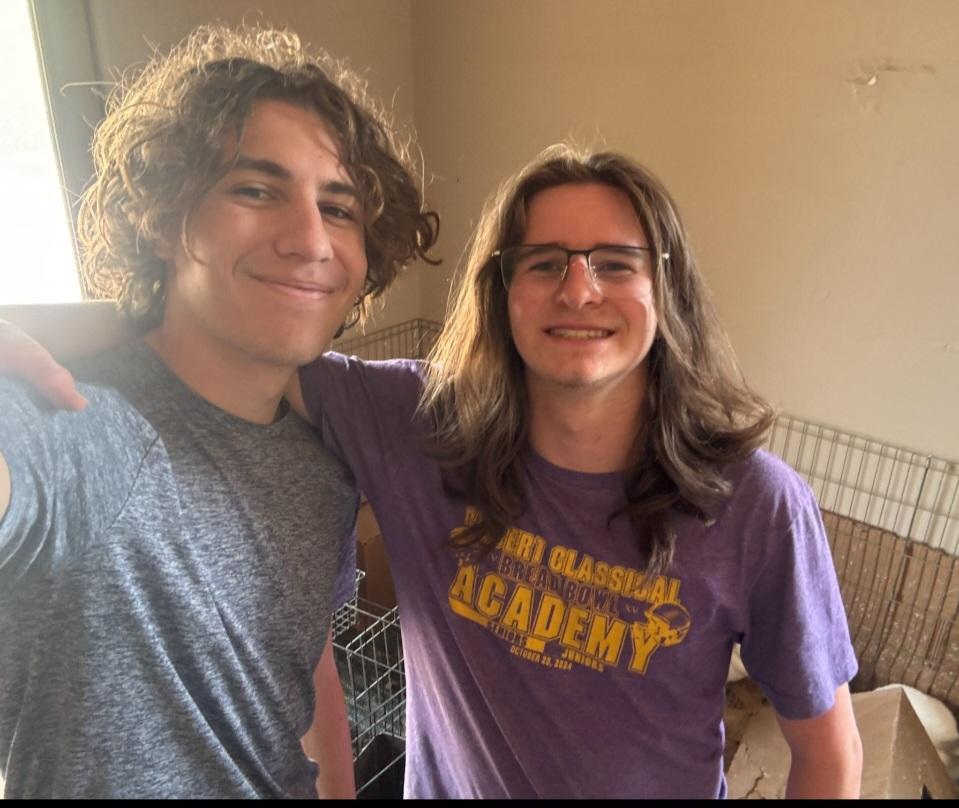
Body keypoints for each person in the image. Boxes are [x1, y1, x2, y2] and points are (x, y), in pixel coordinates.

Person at [5, 146, 862, 798]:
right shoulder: (417, 427)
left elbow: (826, 751)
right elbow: (218, 330)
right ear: (501, 290)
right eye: (543, 262)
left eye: (615, 262)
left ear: (665, 289)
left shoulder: (755, 505)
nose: (578, 291)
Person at [0, 23, 437, 798]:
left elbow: (301, 655)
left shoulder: (322, 460)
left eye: (338, 208)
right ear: (162, 220)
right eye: (256, 190)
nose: (310, 240)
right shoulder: (74, 425)